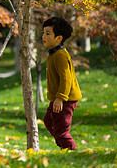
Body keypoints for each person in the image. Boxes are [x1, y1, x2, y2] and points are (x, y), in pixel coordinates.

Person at [42, 17, 82, 150]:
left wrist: (60, 98)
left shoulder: (60, 55)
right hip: (58, 98)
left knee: (62, 130)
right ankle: (63, 146)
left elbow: (66, 78)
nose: (43, 36)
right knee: (49, 121)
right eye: (43, 33)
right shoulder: (53, 54)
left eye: (48, 33)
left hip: (66, 99)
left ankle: (72, 152)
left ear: (58, 38)